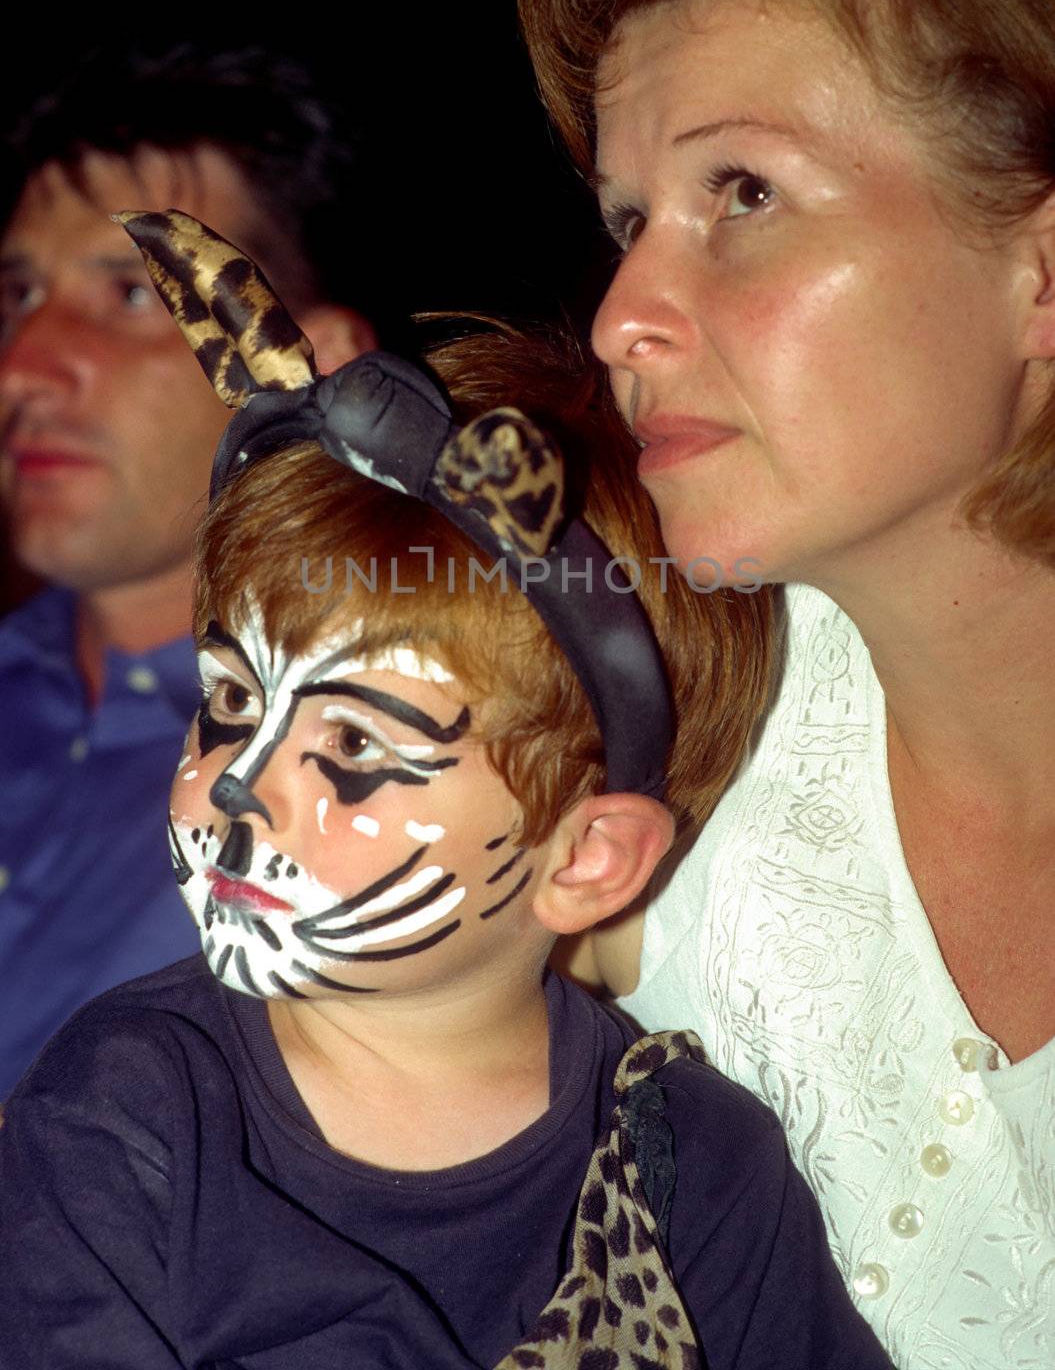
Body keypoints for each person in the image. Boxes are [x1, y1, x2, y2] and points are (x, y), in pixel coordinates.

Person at [0, 212, 886, 1369]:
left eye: (356, 754)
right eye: (228, 703)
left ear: (584, 860)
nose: (235, 789)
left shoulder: (692, 1166)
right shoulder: (127, 1109)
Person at [516, 0, 1055, 1370]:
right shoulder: (665, 729)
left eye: (740, 194)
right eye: (628, 223)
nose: (623, 313)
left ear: (1038, 273)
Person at [0, 46, 375, 1097]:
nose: (25, 367)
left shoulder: (376, 791)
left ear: (314, 370)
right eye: (18, 295)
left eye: (132, 294)